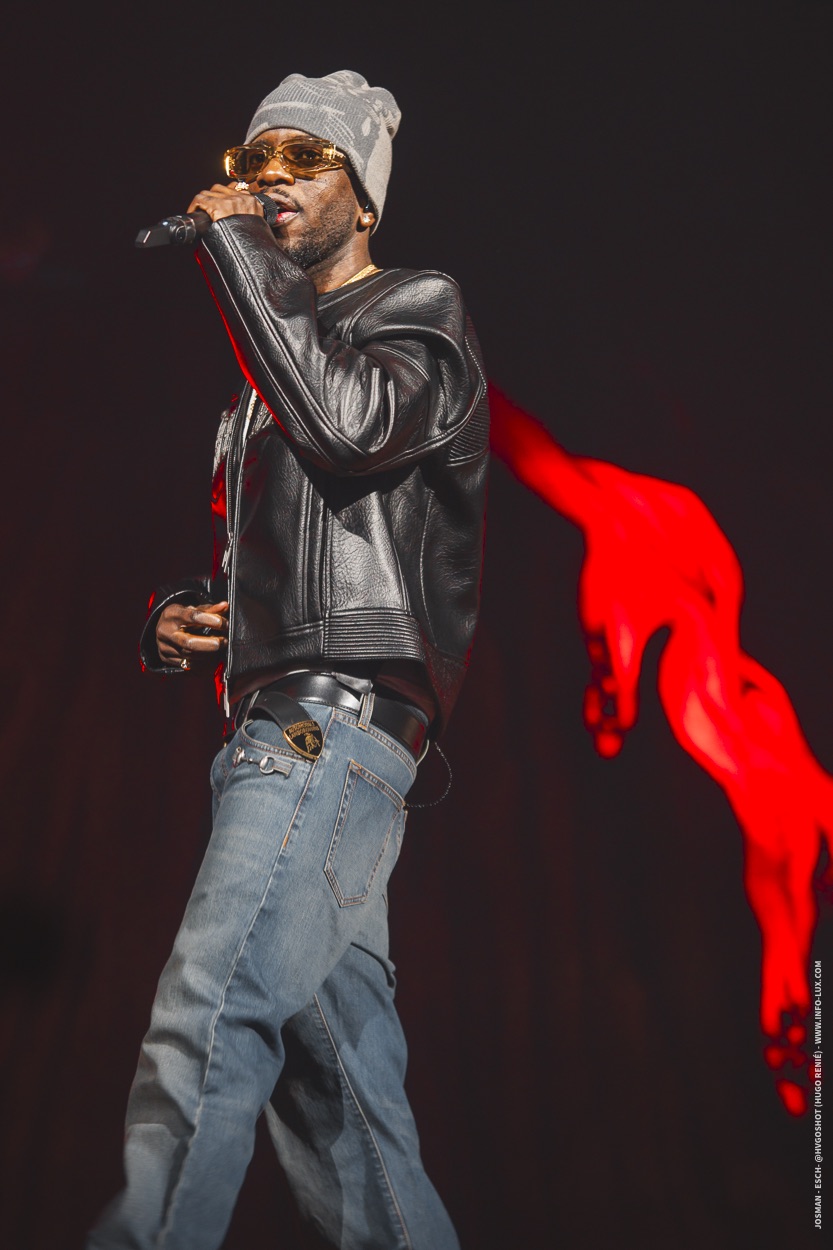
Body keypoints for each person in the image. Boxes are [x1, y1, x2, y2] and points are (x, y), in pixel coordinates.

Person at [88, 70, 489, 1250]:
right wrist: (184, 612)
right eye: (252, 159)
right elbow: (292, 552)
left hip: (327, 729)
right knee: (346, 1115)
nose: (267, 178)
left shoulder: (416, 307)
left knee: (208, 1012)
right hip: (291, 734)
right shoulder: (268, 373)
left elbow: (353, 428)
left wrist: (231, 251)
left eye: (302, 160)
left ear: (361, 196)